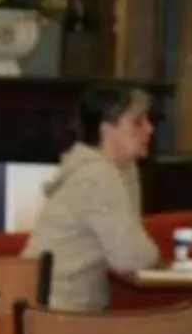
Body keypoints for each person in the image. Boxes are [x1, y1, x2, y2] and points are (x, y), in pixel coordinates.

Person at [25, 83, 162, 311]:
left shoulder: (119, 169)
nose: (150, 129)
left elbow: (132, 248)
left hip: (54, 308)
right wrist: (155, 252)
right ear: (106, 130)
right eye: (138, 121)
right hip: (51, 313)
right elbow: (131, 258)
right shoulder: (98, 176)